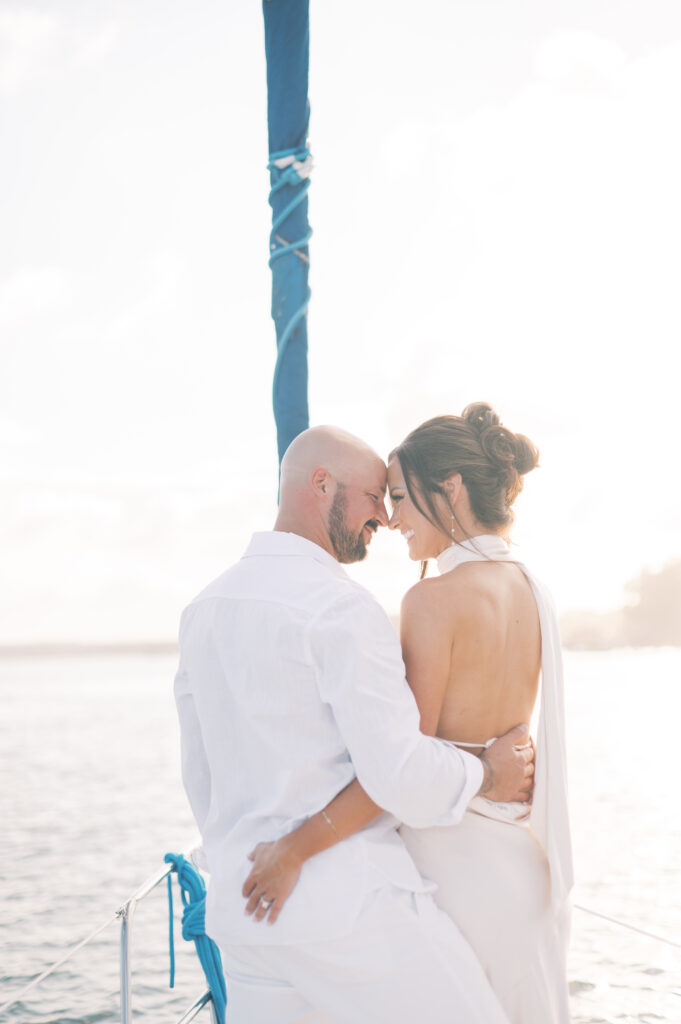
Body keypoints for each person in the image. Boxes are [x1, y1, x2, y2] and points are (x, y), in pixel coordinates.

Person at [174, 424, 535, 1024]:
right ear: (322, 485)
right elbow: (399, 773)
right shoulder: (340, 607)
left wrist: (236, 857)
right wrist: (485, 772)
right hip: (349, 914)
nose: (385, 519)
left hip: (245, 917)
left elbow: (200, 774)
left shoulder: (204, 609)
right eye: (375, 497)